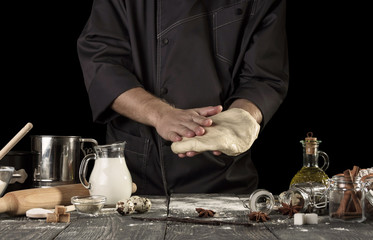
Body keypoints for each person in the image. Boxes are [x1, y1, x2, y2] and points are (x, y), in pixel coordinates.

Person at [77, 0, 289, 196]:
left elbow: (264, 77)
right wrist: (160, 114)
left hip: (224, 178)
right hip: (135, 176)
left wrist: (243, 114)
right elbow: (102, 65)